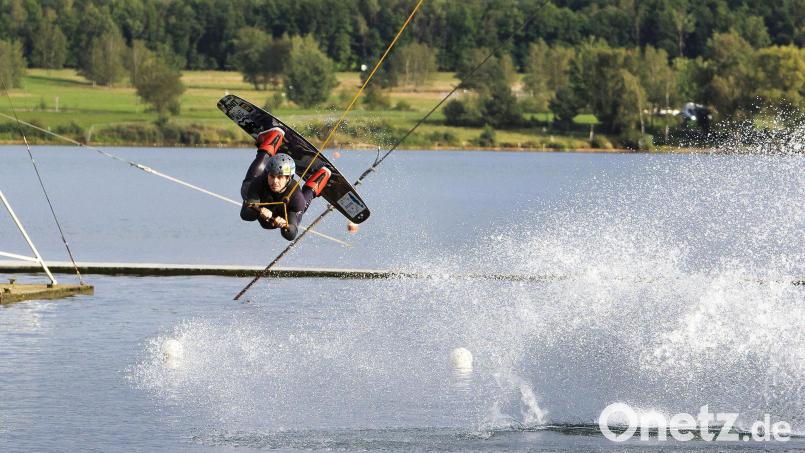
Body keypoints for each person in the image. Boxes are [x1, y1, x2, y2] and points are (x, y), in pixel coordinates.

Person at [240, 127, 331, 240]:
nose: (275, 181)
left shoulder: (295, 196)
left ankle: (321, 177)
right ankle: (274, 136)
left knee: (302, 204)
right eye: (272, 176)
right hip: (259, 205)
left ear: (288, 178)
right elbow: (245, 215)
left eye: (280, 177)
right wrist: (259, 210)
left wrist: (285, 225)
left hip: (284, 213)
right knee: (247, 187)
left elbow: (291, 234)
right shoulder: (259, 182)